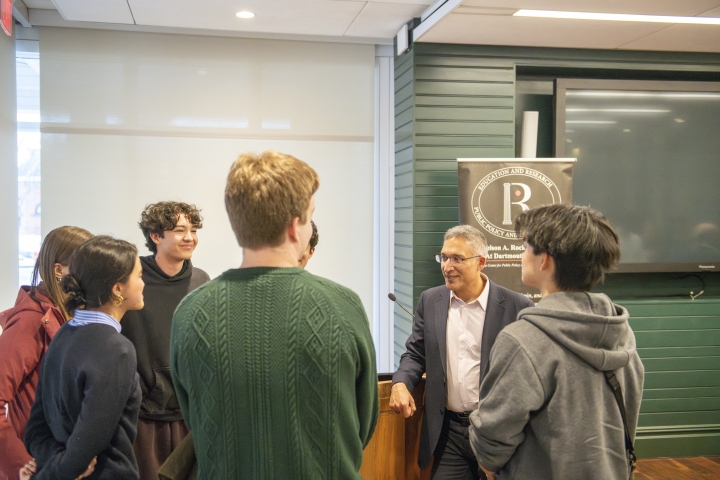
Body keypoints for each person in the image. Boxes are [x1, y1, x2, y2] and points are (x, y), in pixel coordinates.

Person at [170, 150, 378, 479]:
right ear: (296, 227)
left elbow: (195, 416)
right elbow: (363, 424)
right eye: (310, 217)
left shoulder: (191, 312)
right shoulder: (342, 306)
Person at [469, 204, 645, 479]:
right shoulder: (622, 334)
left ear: (545, 260)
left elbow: (491, 447)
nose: (521, 255)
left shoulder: (522, 340)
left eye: (526, 247)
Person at [391, 224, 534, 479]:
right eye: (444, 257)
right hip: (448, 435)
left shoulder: (517, 306)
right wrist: (401, 383)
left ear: (481, 262)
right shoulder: (430, 300)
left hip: (496, 433)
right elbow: (416, 353)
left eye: (457, 259)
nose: (447, 266)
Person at [23, 236, 145, 479]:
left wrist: (54, 461)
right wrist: (59, 470)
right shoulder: (116, 349)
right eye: (139, 276)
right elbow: (87, 445)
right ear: (118, 288)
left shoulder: (63, 334)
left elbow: (35, 431)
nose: (143, 283)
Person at [120, 202, 210, 480]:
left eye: (193, 230)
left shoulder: (201, 280)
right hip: (143, 416)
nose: (190, 237)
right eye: (180, 230)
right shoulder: (133, 279)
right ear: (156, 236)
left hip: (190, 415)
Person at [0, 226, 92, 480]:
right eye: (85, 264)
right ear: (58, 269)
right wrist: (24, 466)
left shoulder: (73, 316)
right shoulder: (30, 323)